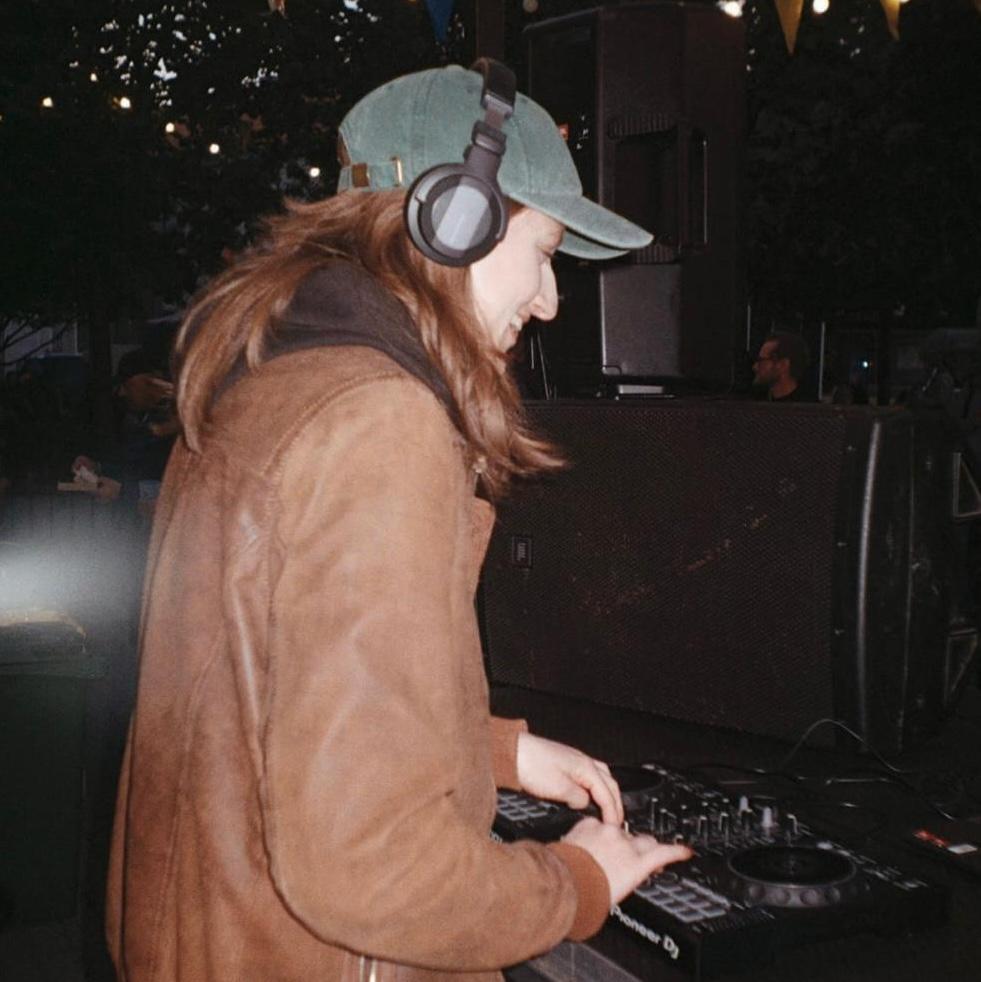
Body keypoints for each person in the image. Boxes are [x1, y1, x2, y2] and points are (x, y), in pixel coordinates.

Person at [106, 62, 691, 981]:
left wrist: (496, 751)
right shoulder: (379, 423)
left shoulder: (270, 382)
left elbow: (255, 698)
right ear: (456, 221)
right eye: (543, 252)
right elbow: (369, 871)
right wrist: (575, 881)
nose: (548, 301)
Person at [752, 331, 810, 402]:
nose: (754, 367)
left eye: (761, 361)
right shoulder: (758, 402)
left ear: (783, 364)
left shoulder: (806, 406)